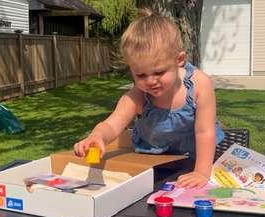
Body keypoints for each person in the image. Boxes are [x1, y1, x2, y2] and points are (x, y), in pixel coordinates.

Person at [74, 8, 224, 188]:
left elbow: (205, 132)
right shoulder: (138, 96)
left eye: (159, 72)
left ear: (179, 60)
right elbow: (113, 124)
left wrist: (201, 172)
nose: (151, 81)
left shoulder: (199, 84)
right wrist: (97, 136)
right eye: (141, 75)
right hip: (155, 160)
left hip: (196, 156)